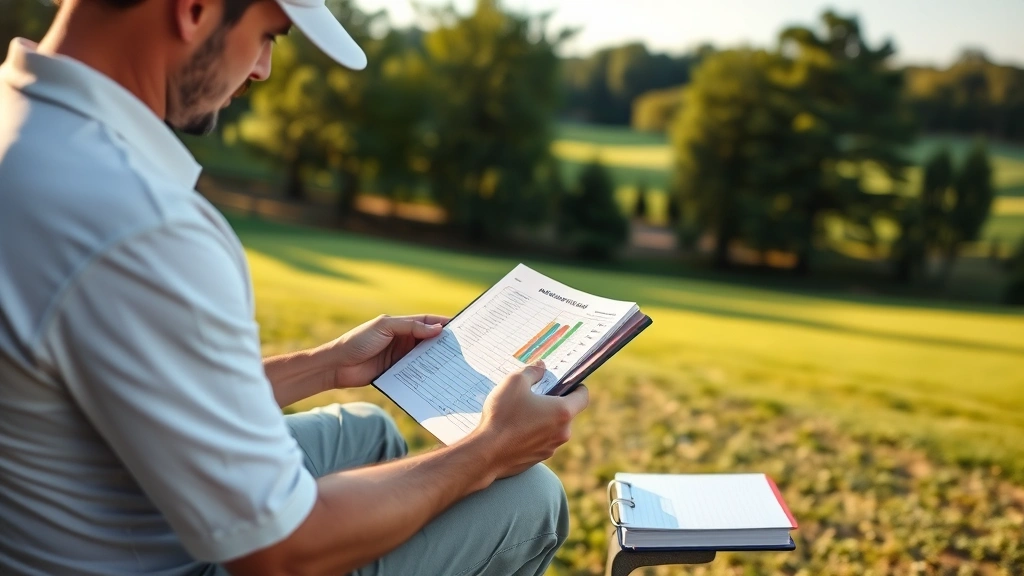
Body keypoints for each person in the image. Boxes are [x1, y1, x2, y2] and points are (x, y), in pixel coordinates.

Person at [0, 0, 590, 574]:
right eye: (270, 35)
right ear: (194, 8)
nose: (263, 69)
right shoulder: (141, 226)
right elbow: (281, 554)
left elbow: (123, 379)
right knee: (528, 500)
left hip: (88, 510)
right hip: (160, 552)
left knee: (368, 432)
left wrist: (324, 365)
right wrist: (487, 448)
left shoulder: (22, 128)